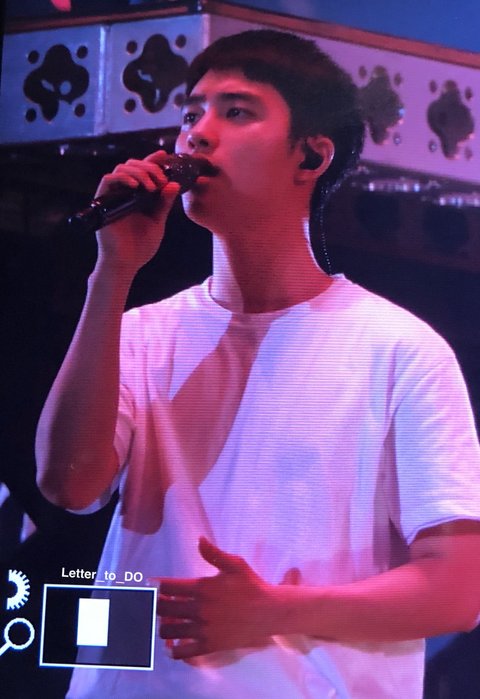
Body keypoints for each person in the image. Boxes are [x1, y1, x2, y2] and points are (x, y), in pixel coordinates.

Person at [36, 29, 480, 699]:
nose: (197, 135)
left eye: (236, 111)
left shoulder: (399, 350)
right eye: (191, 114)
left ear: (311, 155)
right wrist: (113, 272)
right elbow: (68, 485)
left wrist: (275, 610)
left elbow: (456, 589)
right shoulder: (142, 333)